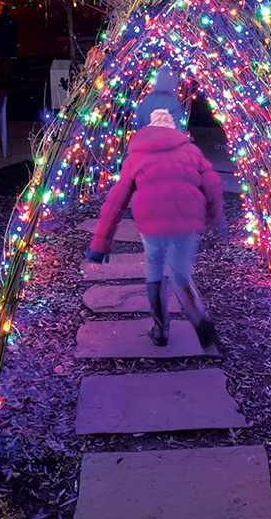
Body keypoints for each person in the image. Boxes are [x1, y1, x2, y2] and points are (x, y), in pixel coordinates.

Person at [86, 106, 226, 348]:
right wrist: (217, 217)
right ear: (173, 130)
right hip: (187, 220)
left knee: (155, 268)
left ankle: (161, 330)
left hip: (151, 222)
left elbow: (116, 202)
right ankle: (200, 320)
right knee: (180, 272)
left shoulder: (136, 157)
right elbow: (212, 186)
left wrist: (100, 245)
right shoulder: (191, 151)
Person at [132, 65, 185, 130]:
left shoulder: (147, 100)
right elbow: (176, 126)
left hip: (147, 134)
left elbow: (137, 120)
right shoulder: (173, 103)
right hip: (165, 135)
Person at [0, 4, 18, 81]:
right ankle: (5, 75)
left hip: (1, 42)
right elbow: (13, 32)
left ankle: (5, 74)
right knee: (7, 59)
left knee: (4, 58)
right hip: (8, 42)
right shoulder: (9, 20)